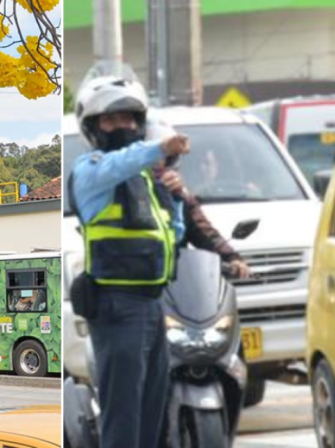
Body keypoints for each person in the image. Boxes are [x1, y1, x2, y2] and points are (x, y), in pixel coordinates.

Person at [69, 63, 189, 448]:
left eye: (128, 117)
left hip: (154, 306)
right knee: (123, 418)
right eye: (110, 119)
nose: (121, 125)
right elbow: (119, 163)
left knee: (153, 415)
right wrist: (158, 149)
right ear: (92, 126)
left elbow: (174, 235)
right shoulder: (90, 172)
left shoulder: (145, 181)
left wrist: (175, 196)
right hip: (117, 306)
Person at [148, 123, 251, 279]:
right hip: (127, 284)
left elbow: (203, 231)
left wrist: (231, 258)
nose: (158, 163)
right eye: (152, 157)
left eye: (164, 157)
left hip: (171, 286)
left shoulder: (179, 194)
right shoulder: (119, 189)